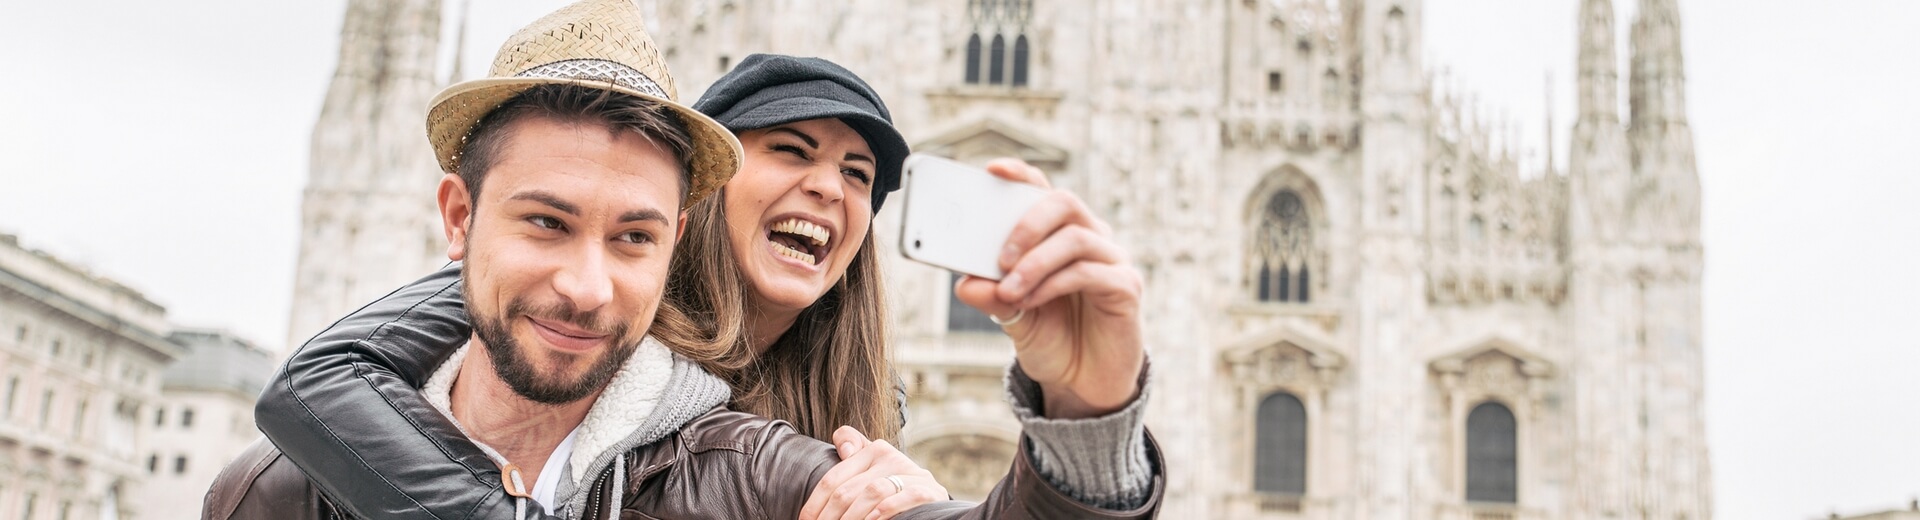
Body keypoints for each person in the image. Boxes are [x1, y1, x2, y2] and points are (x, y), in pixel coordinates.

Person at [206, 1, 1161, 519]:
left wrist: (1088, 417)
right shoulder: (284, 480)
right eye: (790, 151)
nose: (583, 282)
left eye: (859, 173)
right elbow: (320, 378)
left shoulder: (783, 461)